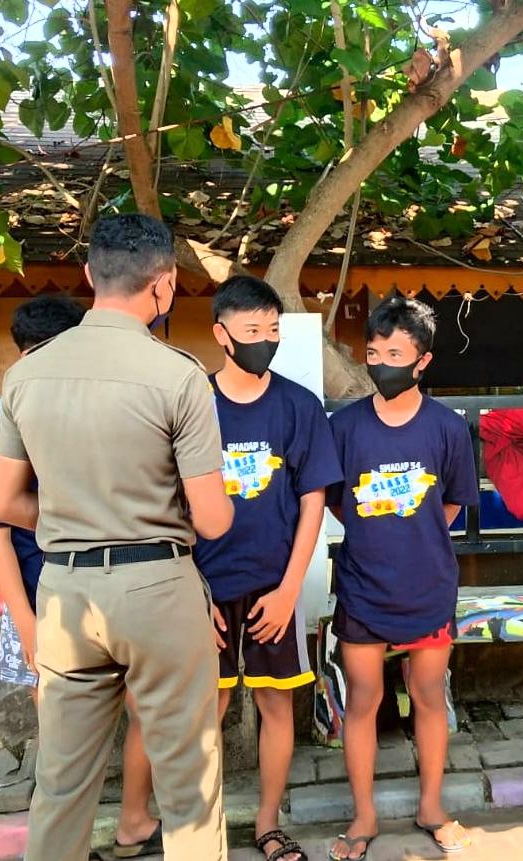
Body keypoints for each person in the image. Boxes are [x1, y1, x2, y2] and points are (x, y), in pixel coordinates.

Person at [0, 213, 236, 861]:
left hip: (65, 591)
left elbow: (2, 502)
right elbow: (213, 520)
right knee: (188, 782)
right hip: (157, 585)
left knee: (61, 784)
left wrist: (71, 519)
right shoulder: (179, 375)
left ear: (89, 274)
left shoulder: (26, 375)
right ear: (165, 283)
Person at [0, 295, 164, 859]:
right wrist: (26, 622)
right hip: (42, 600)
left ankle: (133, 820)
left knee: (145, 711)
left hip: (120, 588)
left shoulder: (108, 418)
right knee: (62, 738)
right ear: (22, 357)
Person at [194, 275, 343, 861]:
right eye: (252, 329)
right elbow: (168, 504)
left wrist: (288, 591)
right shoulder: (193, 404)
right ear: (221, 334)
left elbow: (313, 502)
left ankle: (268, 824)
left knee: (277, 705)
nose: (265, 340)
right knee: (206, 710)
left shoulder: (298, 406)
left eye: (273, 330)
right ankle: (200, 830)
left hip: (274, 588)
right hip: (204, 590)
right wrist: (192, 593)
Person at [325, 297, 479, 861]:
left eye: (396, 354)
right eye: (374, 353)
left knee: (429, 696)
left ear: (422, 361)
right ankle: (363, 816)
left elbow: (453, 503)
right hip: (362, 587)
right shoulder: (344, 427)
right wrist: (379, 535)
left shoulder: (447, 428)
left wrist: (415, 538)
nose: (382, 363)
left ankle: (431, 807)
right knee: (363, 699)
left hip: (428, 586)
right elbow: (336, 502)